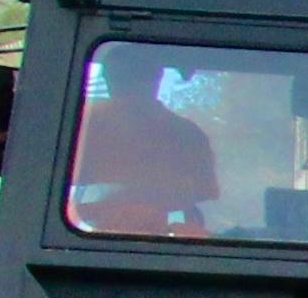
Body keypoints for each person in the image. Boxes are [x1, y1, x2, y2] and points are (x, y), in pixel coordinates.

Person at [69, 52, 221, 236]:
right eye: (122, 77)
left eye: (133, 77)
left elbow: (206, 196)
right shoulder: (81, 124)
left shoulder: (77, 123)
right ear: (158, 78)